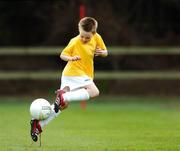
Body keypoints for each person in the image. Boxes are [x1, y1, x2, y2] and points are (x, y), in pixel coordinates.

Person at [30, 17, 108, 142]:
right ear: (79, 30)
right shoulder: (75, 41)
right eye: (82, 35)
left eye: (87, 37)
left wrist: (102, 52)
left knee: (63, 105)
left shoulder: (97, 37)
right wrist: (70, 59)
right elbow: (63, 55)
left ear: (93, 33)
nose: (84, 39)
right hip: (75, 72)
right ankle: (64, 96)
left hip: (75, 75)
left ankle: (38, 125)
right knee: (94, 91)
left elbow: (105, 51)